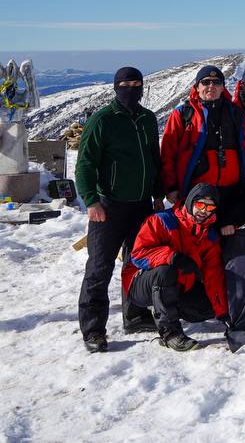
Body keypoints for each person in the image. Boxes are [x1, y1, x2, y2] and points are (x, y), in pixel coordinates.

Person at [76, 66, 163, 352]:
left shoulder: (147, 119)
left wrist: (158, 195)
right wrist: (91, 200)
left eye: (137, 83)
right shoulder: (103, 120)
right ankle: (93, 330)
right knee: (100, 266)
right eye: (126, 83)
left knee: (136, 262)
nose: (132, 88)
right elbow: (85, 163)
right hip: (109, 205)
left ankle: (135, 315)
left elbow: (154, 158)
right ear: (116, 87)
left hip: (141, 205)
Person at [122, 183, 228, 351]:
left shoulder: (209, 236)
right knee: (166, 271)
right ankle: (170, 333)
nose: (204, 211)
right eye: (200, 205)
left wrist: (223, 314)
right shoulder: (162, 220)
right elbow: (138, 255)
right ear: (191, 202)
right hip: (139, 283)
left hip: (178, 286)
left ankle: (167, 309)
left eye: (210, 207)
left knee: (207, 308)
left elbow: (213, 275)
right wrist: (172, 256)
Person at [160, 65, 245, 233]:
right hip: (196, 193)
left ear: (223, 87)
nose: (211, 86)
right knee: (198, 239)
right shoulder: (183, 114)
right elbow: (167, 153)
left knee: (227, 240)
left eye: (216, 82)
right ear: (197, 87)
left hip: (231, 193)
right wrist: (171, 187)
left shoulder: (235, 113)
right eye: (206, 82)